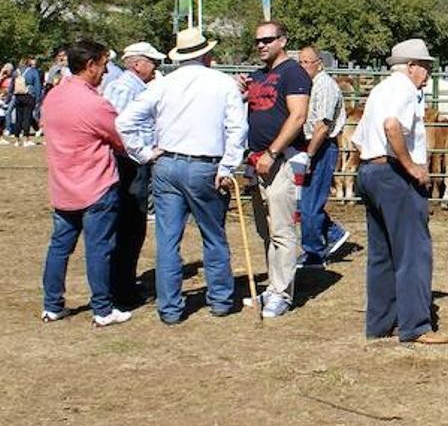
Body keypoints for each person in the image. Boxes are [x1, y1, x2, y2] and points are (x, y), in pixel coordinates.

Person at [117, 27, 247, 324]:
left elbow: (124, 121)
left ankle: (171, 308)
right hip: (206, 166)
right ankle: (220, 301)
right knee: (213, 236)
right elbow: (237, 128)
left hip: (167, 165)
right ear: (206, 54)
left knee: (168, 240)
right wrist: (228, 166)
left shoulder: (163, 84)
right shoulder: (223, 83)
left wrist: (144, 153)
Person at [351, 38, 448, 345]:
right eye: (426, 67)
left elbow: (357, 140)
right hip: (394, 176)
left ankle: (380, 324)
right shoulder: (406, 89)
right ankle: (416, 325)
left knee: (381, 254)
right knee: (413, 252)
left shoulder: (379, 89)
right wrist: (410, 166)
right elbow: (392, 125)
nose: (428, 74)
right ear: (410, 66)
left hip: (370, 170)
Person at [38, 39, 131, 327]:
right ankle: (102, 309)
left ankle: (52, 305)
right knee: (99, 248)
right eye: (103, 65)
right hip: (96, 186)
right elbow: (120, 140)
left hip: (63, 185)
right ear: (90, 65)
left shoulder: (53, 97)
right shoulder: (95, 103)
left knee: (59, 247)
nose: (106, 72)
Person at [237, 21, 311, 319]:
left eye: (268, 39)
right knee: (264, 229)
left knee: (281, 229)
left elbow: (298, 116)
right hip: (257, 161)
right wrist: (241, 89)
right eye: (257, 40)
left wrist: (272, 152)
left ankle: (282, 292)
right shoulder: (259, 75)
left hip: (279, 160)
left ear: (283, 41)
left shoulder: (294, 73)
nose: (261, 45)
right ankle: (274, 284)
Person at [103, 41, 167, 308]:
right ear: (138, 64)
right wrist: (144, 152)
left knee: (132, 226)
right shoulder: (124, 88)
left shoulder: (130, 87)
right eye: (154, 62)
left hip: (130, 162)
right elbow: (117, 127)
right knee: (130, 226)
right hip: (128, 164)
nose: (157, 68)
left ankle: (123, 283)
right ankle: (122, 288)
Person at [296, 45, 349, 268]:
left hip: (321, 146)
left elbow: (322, 126)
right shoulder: (309, 85)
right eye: (300, 62)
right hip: (310, 145)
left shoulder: (325, 86)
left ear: (319, 63)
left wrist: (309, 154)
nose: (303, 66)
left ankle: (314, 252)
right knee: (304, 201)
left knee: (310, 204)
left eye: (307, 62)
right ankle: (333, 233)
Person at [12, 56, 43, 146]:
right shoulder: (33, 72)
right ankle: (26, 139)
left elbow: (12, 85)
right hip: (29, 95)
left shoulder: (16, 72)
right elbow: (37, 86)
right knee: (27, 117)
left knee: (18, 117)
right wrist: (38, 98)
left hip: (18, 95)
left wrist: (10, 96)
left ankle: (17, 140)